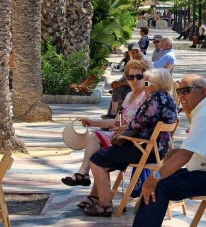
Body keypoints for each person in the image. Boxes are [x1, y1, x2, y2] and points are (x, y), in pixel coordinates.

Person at [112, 74, 206, 227]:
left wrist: (155, 176)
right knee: (156, 182)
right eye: (179, 91)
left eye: (186, 91)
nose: (181, 96)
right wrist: (164, 166)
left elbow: (185, 156)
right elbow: (192, 149)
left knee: (159, 185)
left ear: (202, 91)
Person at [83, 68, 178, 217]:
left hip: (144, 149)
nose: (145, 85)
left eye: (147, 82)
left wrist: (122, 130)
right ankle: (97, 198)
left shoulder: (154, 99)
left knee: (97, 159)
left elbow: (136, 124)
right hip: (159, 150)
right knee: (107, 159)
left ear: (154, 84)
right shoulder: (169, 99)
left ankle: (104, 204)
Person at [62, 60, 148, 188]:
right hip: (119, 137)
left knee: (96, 143)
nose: (135, 80)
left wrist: (122, 127)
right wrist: (92, 122)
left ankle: (85, 177)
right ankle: (95, 196)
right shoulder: (129, 95)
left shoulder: (146, 96)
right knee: (97, 152)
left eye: (139, 77)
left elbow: (141, 124)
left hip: (131, 140)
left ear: (144, 77)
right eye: (131, 77)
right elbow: (116, 121)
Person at [107, 44, 152, 117]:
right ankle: (112, 114)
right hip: (132, 84)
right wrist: (117, 83)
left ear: (140, 50)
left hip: (143, 86)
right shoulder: (131, 60)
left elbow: (142, 79)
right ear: (129, 53)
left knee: (123, 91)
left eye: (137, 52)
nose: (135, 54)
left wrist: (121, 83)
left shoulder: (145, 61)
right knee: (116, 89)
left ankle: (118, 116)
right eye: (133, 53)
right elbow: (126, 75)